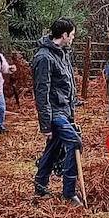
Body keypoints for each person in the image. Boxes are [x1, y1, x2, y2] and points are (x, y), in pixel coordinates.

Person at [33, 18, 83, 205]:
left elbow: (67, 85)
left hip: (65, 111)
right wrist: (45, 123)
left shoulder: (63, 53)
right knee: (75, 143)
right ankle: (69, 193)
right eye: (71, 35)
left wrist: (72, 109)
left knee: (54, 148)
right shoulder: (44, 58)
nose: (72, 39)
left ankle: (40, 185)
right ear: (64, 35)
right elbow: (41, 92)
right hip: (54, 113)